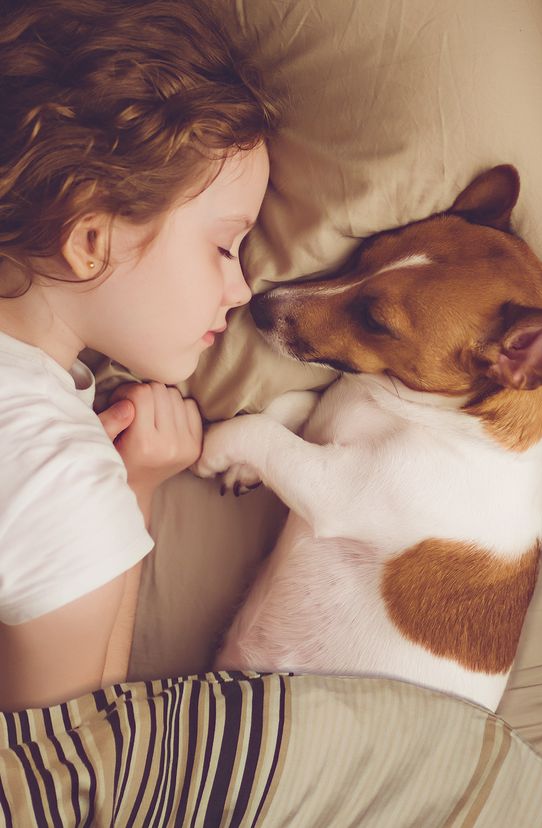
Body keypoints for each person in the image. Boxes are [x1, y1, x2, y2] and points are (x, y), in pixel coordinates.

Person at [0, 0, 279, 711]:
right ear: (90, 239)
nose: (242, 288)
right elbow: (66, 772)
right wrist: (134, 492)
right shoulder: (61, 482)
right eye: (223, 245)